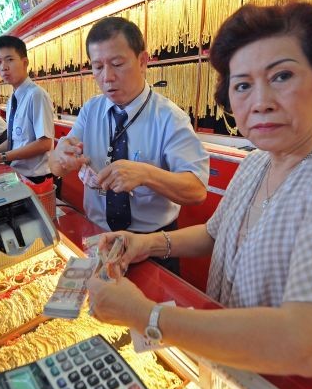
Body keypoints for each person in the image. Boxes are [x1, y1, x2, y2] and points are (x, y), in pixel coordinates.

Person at [87, 2, 312, 389]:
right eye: (242, 85)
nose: (261, 101)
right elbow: (215, 232)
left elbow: (303, 343)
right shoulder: (257, 162)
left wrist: (142, 315)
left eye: (282, 76)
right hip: (238, 376)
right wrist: (148, 243)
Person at [49, 17, 208, 274]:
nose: (107, 77)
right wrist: (60, 157)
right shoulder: (91, 110)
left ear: (143, 61)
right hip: (98, 237)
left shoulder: (169, 118)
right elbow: (56, 165)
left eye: (118, 64)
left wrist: (146, 174)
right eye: (98, 67)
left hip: (151, 246)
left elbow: (197, 191)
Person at [0, 35, 56, 184]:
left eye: (9, 59)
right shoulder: (13, 98)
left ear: (25, 62)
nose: (3, 67)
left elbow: (45, 144)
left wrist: (0, 157)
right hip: (18, 174)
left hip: (37, 178)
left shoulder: (36, 95)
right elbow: (14, 141)